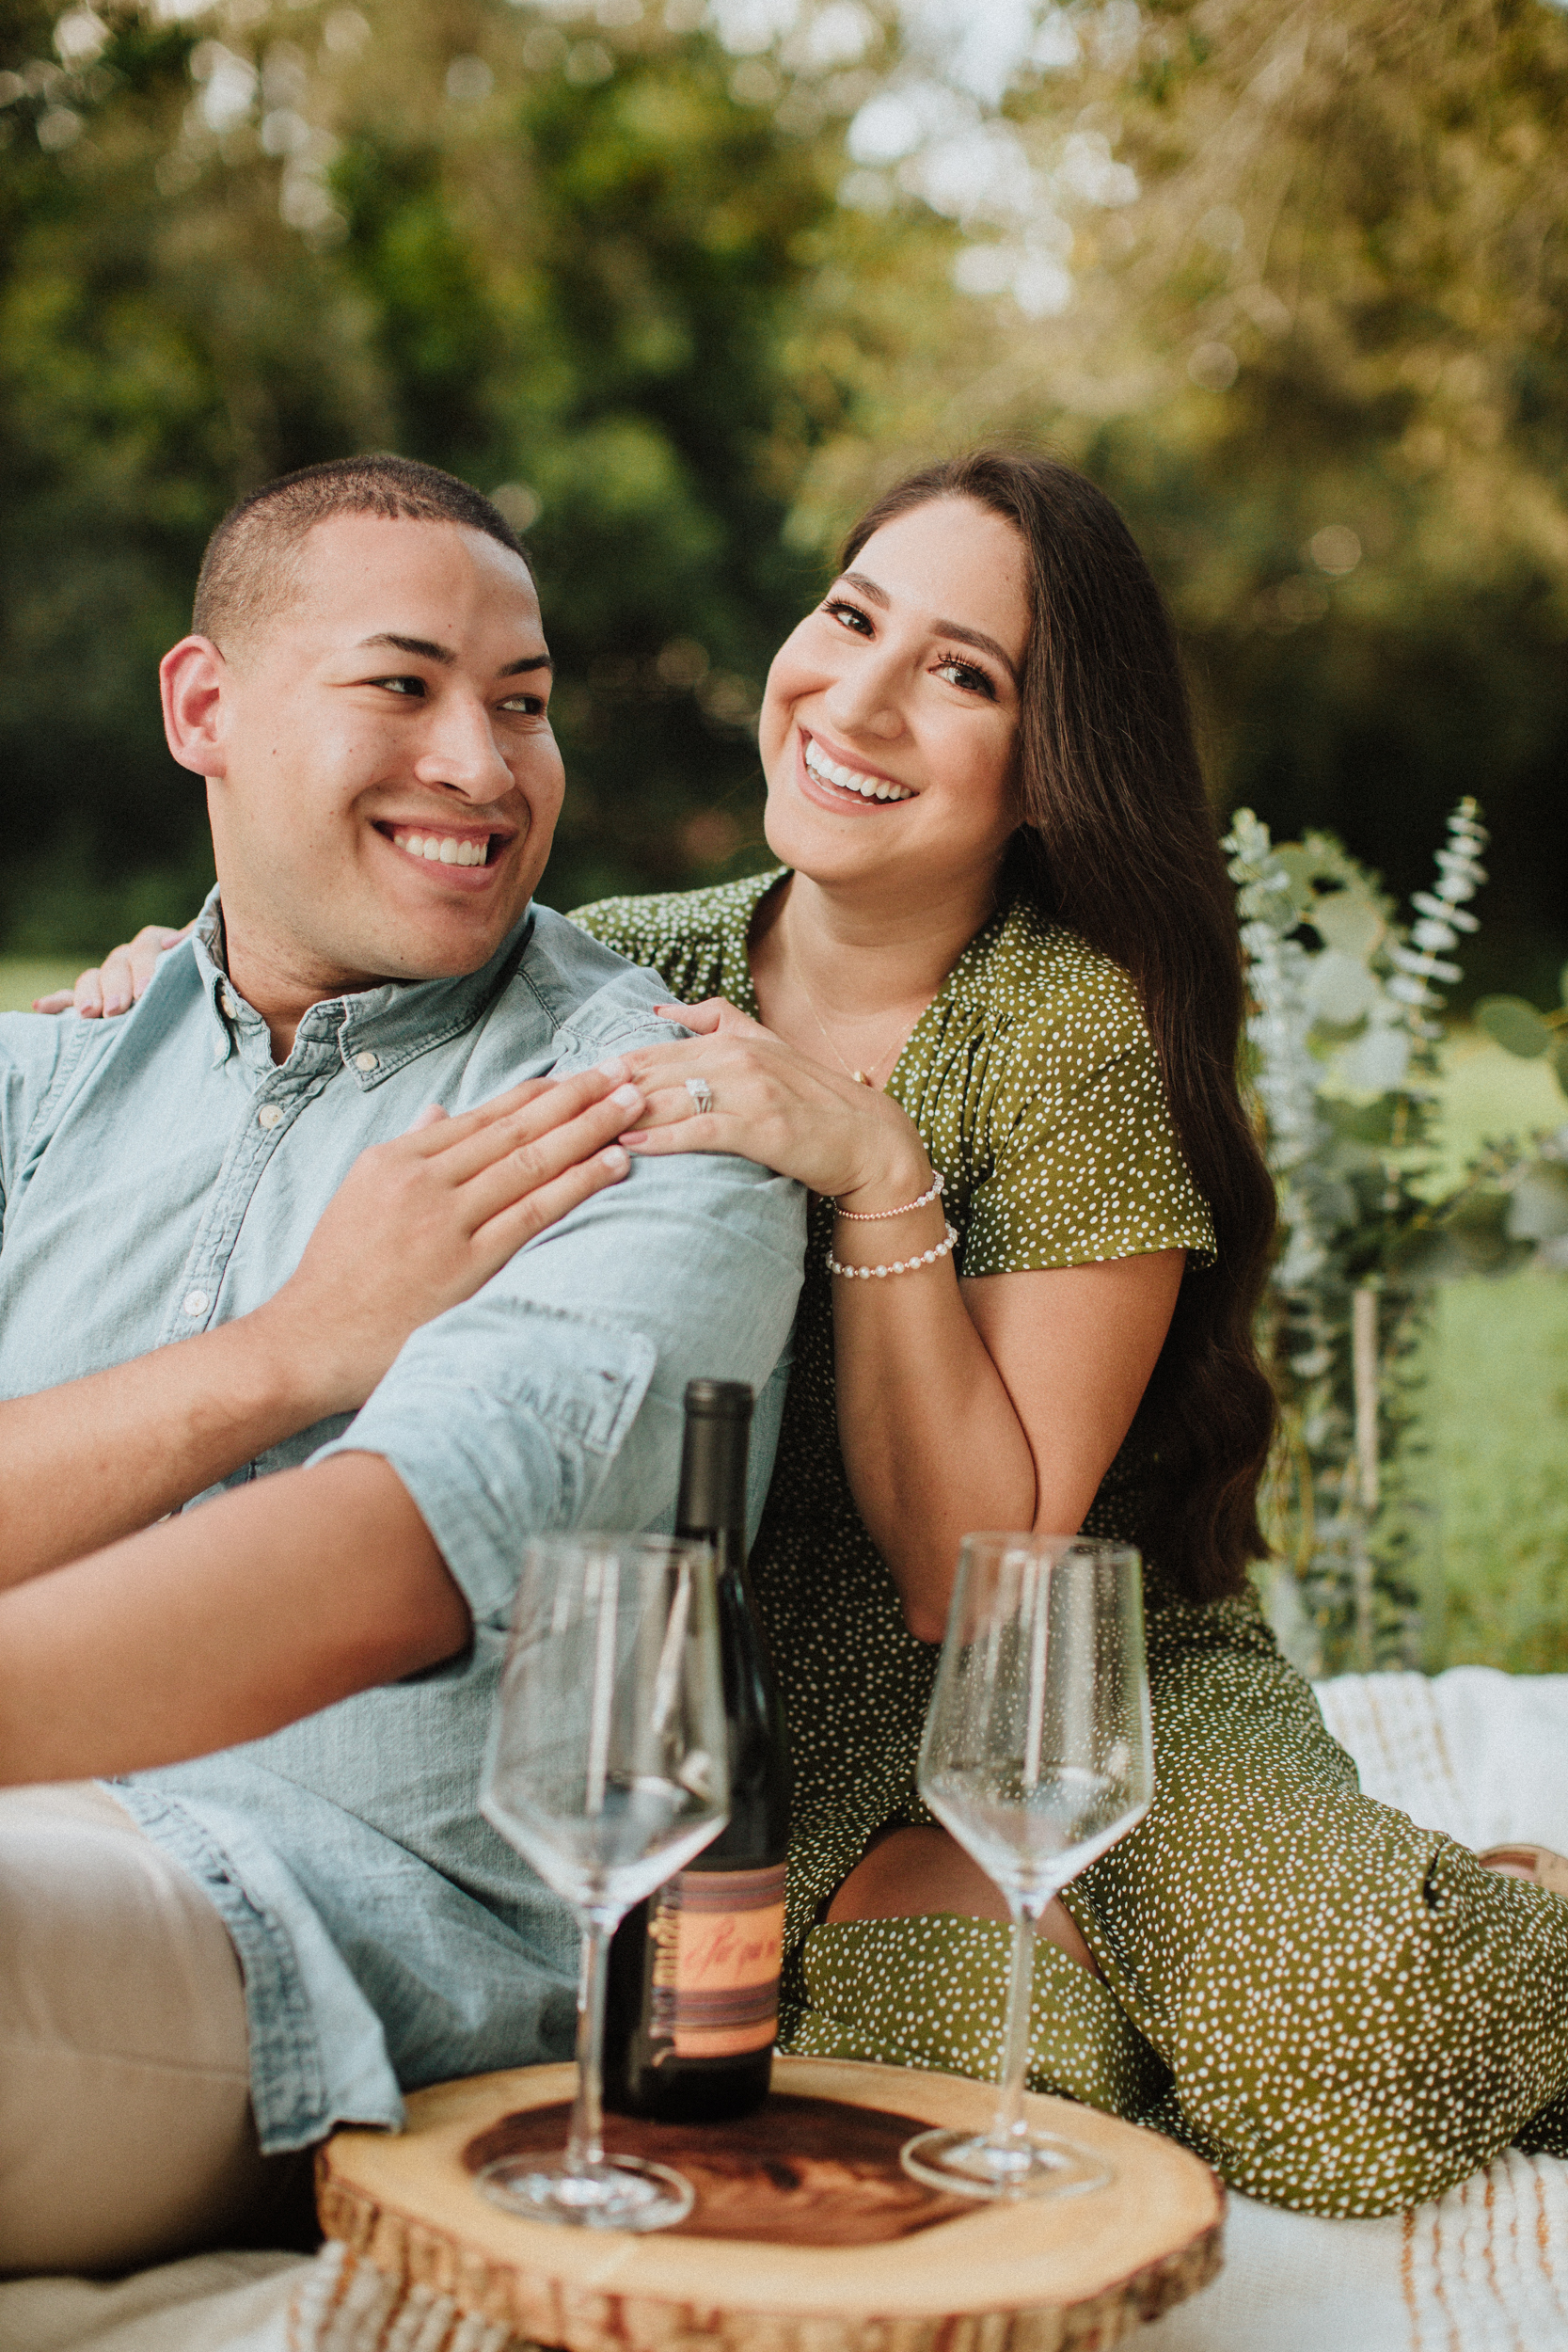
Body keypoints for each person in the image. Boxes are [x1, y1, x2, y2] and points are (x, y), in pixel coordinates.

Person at [68, 453, 1568, 2222]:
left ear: (1045, 767)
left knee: (1360, 2069)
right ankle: (1130, 1988)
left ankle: (1476, 1917)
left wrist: (880, 1173)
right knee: (944, 2113)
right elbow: (345, 964)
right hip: (748, 1737)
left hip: (1052, 1698)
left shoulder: (1063, 1033)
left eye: (962, 672)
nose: (857, 696)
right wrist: (178, 964)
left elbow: (978, 1578)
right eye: (851, 618)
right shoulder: (633, 957)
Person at [0, 453, 803, 2275]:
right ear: (205, 707)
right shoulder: (41, 1082)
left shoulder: (647, 1110)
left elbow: (383, 1568)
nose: (484, 762)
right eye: (404, 684)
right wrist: (287, 1352)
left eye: (522, 705)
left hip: (304, 1943)